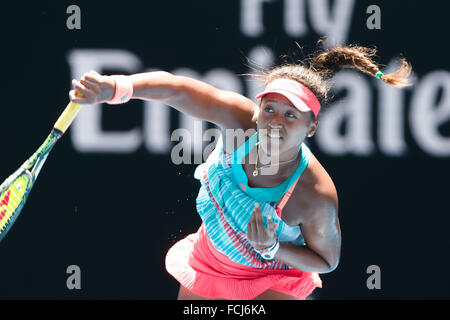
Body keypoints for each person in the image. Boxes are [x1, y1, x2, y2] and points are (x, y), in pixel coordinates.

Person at [69, 43, 411, 300]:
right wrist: (115, 87)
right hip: (208, 261)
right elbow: (176, 88)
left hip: (272, 280)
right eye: (270, 109)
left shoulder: (314, 195)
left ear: (311, 127)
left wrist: (274, 247)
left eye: (291, 115)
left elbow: (326, 261)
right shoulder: (240, 121)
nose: (275, 121)